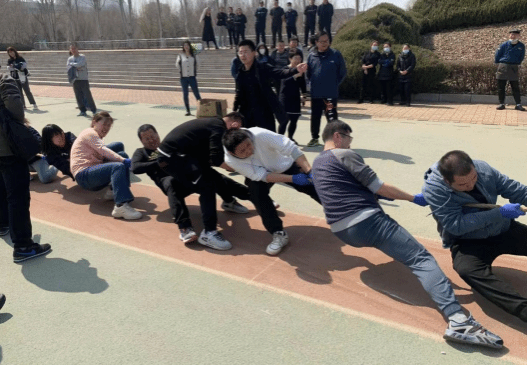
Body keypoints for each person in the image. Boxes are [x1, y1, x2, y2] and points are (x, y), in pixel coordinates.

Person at [312, 121, 504, 349]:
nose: (350, 144)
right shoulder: (343, 154)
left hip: (341, 231)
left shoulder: (317, 163)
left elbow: (343, 190)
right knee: (420, 259)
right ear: (338, 136)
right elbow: (379, 187)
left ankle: (455, 316)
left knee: (403, 252)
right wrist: (413, 198)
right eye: (349, 139)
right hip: (367, 221)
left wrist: (380, 196)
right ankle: (458, 320)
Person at [423, 150, 527, 325]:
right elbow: (457, 225)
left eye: (474, 178)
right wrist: (499, 213)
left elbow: (517, 191)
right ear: (447, 181)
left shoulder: (483, 169)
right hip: (469, 241)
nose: (471, 185)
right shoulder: (434, 190)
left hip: (501, 229)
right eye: (463, 184)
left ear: (474, 168)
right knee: (467, 270)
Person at [0, 45, 52, 263]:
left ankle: (2, 224)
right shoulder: (1, 79)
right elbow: (17, 111)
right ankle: (23, 246)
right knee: (17, 195)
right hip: (7, 147)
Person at [133, 123, 250, 244]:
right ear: (141, 141)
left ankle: (241, 198)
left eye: (153, 136)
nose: (151, 140)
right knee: (172, 183)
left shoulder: (168, 145)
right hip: (173, 185)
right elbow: (135, 167)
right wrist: (158, 162)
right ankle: (185, 227)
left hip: (187, 177)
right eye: (147, 138)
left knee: (211, 175)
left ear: (157, 135)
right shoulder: (141, 152)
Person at [223, 128, 320, 256]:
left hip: (284, 164)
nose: (249, 151)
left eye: (248, 145)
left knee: (313, 187)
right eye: (242, 151)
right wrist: (293, 179)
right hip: (262, 174)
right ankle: (278, 233)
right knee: (257, 195)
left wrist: (309, 171)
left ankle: (341, 209)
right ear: (232, 153)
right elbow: (263, 176)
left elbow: (292, 148)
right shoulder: (230, 160)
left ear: (249, 138)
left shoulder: (259, 134)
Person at [71, 112, 142, 220]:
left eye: (109, 125)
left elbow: (102, 152)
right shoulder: (90, 133)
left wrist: (122, 159)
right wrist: (124, 161)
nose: (106, 128)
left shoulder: (96, 136)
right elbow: (103, 150)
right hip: (84, 176)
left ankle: (113, 191)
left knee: (120, 152)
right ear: (94, 122)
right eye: (104, 124)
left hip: (91, 169)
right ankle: (120, 206)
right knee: (118, 166)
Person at [234, 39, 308, 132]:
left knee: (267, 137)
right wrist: (234, 111)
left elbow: (279, 73)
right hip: (247, 113)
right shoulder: (240, 73)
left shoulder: (262, 67)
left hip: (264, 112)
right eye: (240, 52)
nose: (243, 55)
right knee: (248, 138)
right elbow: (238, 94)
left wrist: (295, 70)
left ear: (254, 53)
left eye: (245, 52)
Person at [306, 31, 347, 147]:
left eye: (327, 41)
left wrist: (334, 84)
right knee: (315, 117)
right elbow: (308, 74)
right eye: (322, 41)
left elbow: (342, 72)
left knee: (332, 117)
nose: (324, 43)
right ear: (316, 42)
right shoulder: (311, 56)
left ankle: (335, 140)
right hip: (316, 93)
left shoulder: (335, 54)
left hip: (330, 93)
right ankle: (314, 138)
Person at [278, 50, 307, 143]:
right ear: (290, 59)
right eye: (296, 58)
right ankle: (280, 140)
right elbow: (284, 82)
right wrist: (295, 76)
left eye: (299, 58)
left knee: (294, 120)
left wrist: (304, 95)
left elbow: (303, 84)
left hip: (295, 98)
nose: (298, 60)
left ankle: (290, 138)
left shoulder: (301, 70)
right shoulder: (285, 69)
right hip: (285, 98)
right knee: (284, 121)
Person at [495, 29, 526, 111]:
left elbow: (522, 56)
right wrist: (499, 63)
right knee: (501, 87)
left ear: (519, 36)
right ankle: (501, 104)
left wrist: (517, 63)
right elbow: (497, 55)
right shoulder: (504, 44)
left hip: (514, 67)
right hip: (503, 66)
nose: (513, 36)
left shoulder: (521, 46)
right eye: (511, 34)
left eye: (515, 35)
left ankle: (518, 104)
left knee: (515, 87)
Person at [67, 44, 97, 117]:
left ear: (77, 49)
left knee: (87, 95)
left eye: (74, 48)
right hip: (75, 79)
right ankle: (82, 111)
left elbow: (80, 64)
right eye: (71, 49)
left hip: (83, 79)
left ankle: (93, 110)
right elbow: (68, 66)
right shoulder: (70, 58)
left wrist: (73, 65)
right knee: (78, 96)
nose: (73, 50)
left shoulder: (82, 57)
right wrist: (76, 66)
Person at [175, 41, 202, 116]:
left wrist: (194, 71)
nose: (186, 47)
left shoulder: (194, 55)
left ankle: (201, 109)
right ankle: (188, 110)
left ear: (190, 46)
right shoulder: (180, 55)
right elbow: (177, 64)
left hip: (192, 77)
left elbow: (198, 64)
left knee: (196, 93)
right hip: (183, 77)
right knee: (185, 94)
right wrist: (181, 70)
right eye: (185, 45)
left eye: (187, 45)